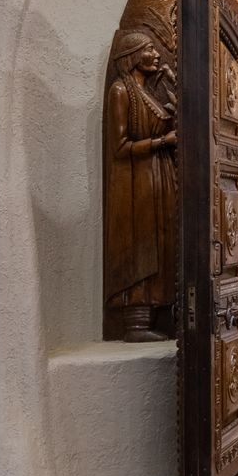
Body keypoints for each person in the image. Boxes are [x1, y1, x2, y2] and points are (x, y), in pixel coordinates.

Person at [104, 27, 177, 340]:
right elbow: (119, 148)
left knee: (160, 244)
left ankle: (154, 312)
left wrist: (172, 86)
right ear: (132, 56)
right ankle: (135, 322)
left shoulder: (147, 91)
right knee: (143, 244)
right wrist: (162, 141)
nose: (156, 54)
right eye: (149, 49)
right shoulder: (120, 91)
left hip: (156, 177)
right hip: (136, 184)